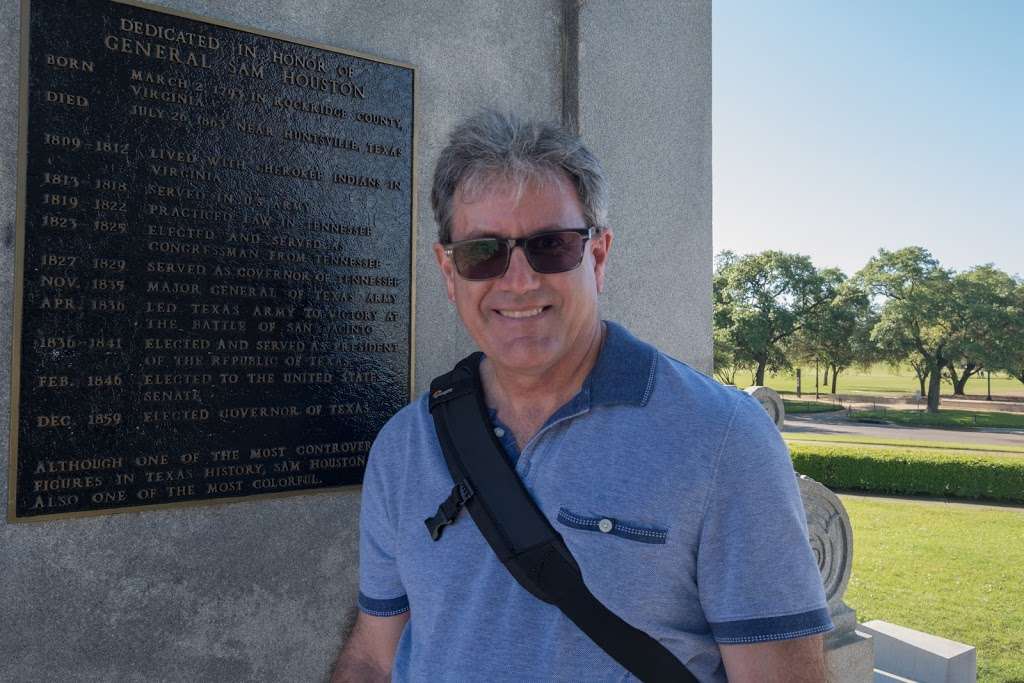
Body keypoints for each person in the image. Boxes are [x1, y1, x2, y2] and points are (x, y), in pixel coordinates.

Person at [333, 110, 832, 682]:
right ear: (449, 271)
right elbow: (374, 656)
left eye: (551, 246)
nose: (517, 281)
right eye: (483, 253)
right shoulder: (403, 445)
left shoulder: (724, 439)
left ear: (597, 256)